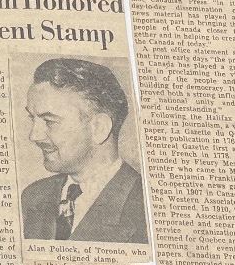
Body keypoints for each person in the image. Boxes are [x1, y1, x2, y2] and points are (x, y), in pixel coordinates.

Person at [21, 57, 147, 244]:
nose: (34, 136)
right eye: (33, 119)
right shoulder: (34, 196)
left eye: (49, 121)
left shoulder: (144, 207)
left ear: (99, 128)